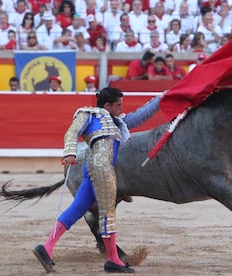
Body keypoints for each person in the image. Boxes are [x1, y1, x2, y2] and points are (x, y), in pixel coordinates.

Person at [33, 87, 161, 273]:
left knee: (77, 208)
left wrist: (162, 97)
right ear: (107, 105)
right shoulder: (88, 114)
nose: (121, 108)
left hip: (92, 168)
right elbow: (71, 132)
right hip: (102, 168)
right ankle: (113, 259)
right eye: (118, 105)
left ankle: (47, 248)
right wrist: (69, 152)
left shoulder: (118, 121)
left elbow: (139, 116)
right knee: (107, 212)